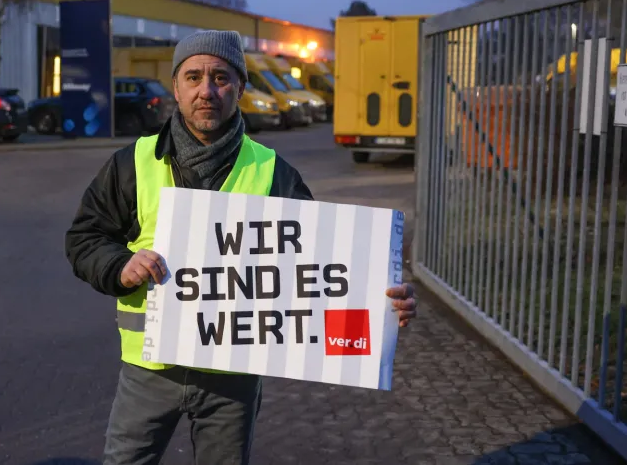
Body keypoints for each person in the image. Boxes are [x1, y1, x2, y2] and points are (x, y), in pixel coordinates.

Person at [64, 30, 418, 464]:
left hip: (233, 377)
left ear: (241, 88)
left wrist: (380, 305)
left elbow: (321, 271)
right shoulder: (131, 163)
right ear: (176, 87)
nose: (206, 90)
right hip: (149, 372)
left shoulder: (274, 173)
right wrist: (120, 265)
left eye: (221, 77)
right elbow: (85, 238)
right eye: (193, 77)